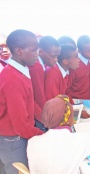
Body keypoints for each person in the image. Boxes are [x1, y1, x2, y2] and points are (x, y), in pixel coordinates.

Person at [0, 29, 44, 174]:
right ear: (19, 51)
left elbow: (30, 103)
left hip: (21, 135)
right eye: (34, 50)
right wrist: (43, 134)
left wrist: (47, 120)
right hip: (12, 140)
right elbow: (20, 125)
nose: (38, 53)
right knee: (20, 171)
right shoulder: (12, 78)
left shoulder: (22, 70)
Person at [29, 36, 61, 130]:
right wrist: (47, 118)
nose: (56, 60)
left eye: (57, 56)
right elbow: (39, 97)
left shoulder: (43, 65)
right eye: (53, 56)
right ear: (41, 52)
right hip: (39, 116)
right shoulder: (36, 67)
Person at [67, 35, 90, 118]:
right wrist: (76, 108)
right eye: (88, 51)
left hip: (89, 101)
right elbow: (67, 90)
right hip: (76, 103)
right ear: (79, 51)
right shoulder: (74, 66)